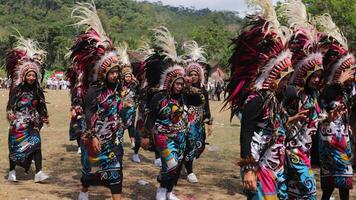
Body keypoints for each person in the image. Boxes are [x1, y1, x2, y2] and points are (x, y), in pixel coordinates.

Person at [224, 1, 308, 199]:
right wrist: (249, 170)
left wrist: (292, 119)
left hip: (275, 167)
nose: (287, 84)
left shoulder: (274, 99)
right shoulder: (256, 100)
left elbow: (271, 128)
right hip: (259, 166)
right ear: (273, 78)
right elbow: (246, 136)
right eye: (285, 79)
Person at [68, 2, 129, 200]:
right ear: (103, 73)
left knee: (116, 171)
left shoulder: (119, 89)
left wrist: (126, 112)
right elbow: (87, 113)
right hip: (95, 137)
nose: (115, 75)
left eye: (116, 72)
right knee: (90, 169)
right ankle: (84, 191)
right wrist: (91, 135)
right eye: (112, 72)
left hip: (114, 139)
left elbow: (120, 113)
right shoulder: (93, 91)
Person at [279, 1, 324, 198]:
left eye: (319, 77)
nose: (316, 80)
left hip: (306, 151)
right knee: (310, 191)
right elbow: (278, 119)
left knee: (295, 193)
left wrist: (328, 118)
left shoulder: (314, 95)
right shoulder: (292, 92)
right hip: (291, 149)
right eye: (313, 76)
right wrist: (293, 119)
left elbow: (315, 120)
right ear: (305, 75)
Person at [317, 14, 355, 200]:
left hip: (343, 139)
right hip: (329, 140)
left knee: (344, 182)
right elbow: (325, 99)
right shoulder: (325, 88)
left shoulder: (346, 89)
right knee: (332, 184)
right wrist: (339, 83)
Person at [6, 32, 49, 183]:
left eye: (33, 75)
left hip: (32, 124)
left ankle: (39, 172)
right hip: (18, 124)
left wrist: (44, 117)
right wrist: (10, 114)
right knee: (15, 150)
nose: (31, 78)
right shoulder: (17, 90)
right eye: (29, 75)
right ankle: (12, 171)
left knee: (36, 145)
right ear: (24, 76)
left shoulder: (37, 90)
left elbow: (42, 106)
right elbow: (10, 105)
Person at [183, 41, 213, 183]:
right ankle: (189, 171)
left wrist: (209, 123)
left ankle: (186, 162)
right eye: (191, 74)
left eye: (196, 74)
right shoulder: (183, 90)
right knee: (189, 145)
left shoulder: (204, 91)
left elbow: (206, 107)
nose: (193, 76)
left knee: (199, 146)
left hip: (199, 123)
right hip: (187, 122)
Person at [118, 63, 140, 163]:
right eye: (126, 76)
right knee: (120, 129)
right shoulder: (119, 86)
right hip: (121, 112)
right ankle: (119, 149)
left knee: (131, 127)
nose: (128, 77)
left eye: (130, 76)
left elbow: (138, 94)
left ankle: (133, 145)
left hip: (131, 111)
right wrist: (123, 103)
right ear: (123, 77)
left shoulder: (135, 86)